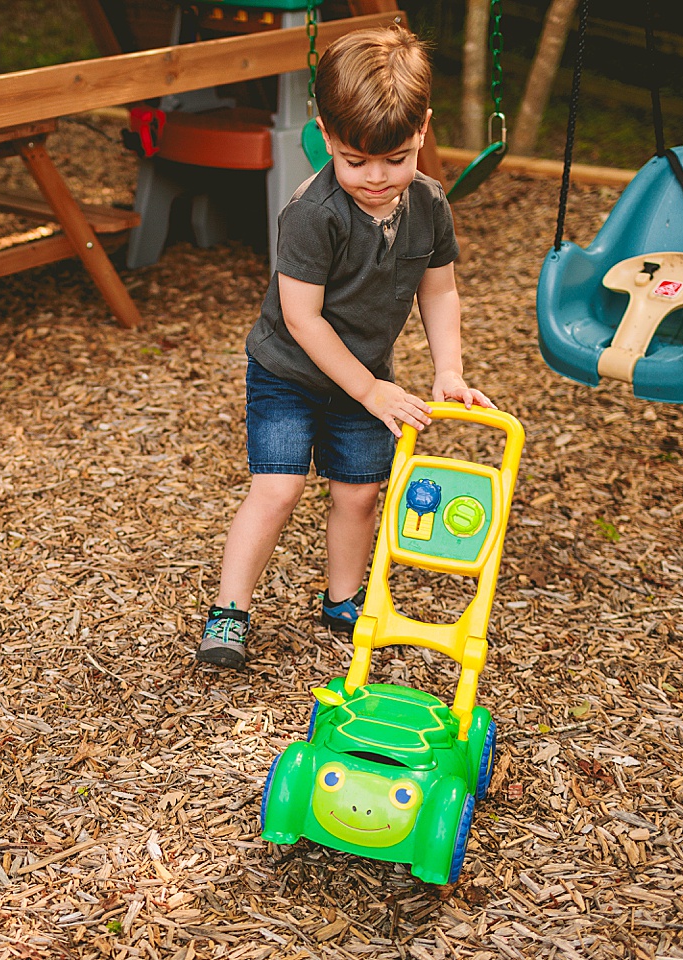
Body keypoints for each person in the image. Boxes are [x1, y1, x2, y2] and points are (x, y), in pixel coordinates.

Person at [196, 23, 493, 669]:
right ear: (327, 137)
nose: (378, 178)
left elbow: (437, 294)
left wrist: (449, 369)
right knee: (278, 490)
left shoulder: (430, 204)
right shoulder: (314, 212)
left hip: (366, 377)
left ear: (422, 132)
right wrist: (370, 389)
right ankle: (229, 611)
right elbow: (303, 319)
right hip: (288, 373)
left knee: (358, 492)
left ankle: (343, 599)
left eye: (396, 158)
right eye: (356, 161)